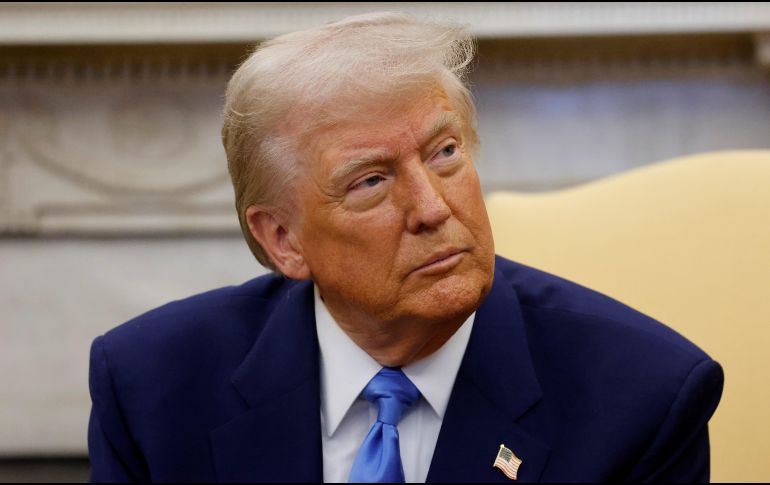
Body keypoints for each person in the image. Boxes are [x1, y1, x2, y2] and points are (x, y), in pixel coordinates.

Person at [88, 12, 724, 483]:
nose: (433, 207)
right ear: (283, 239)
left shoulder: (644, 396)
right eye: (371, 181)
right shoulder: (152, 386)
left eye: (445, 153)